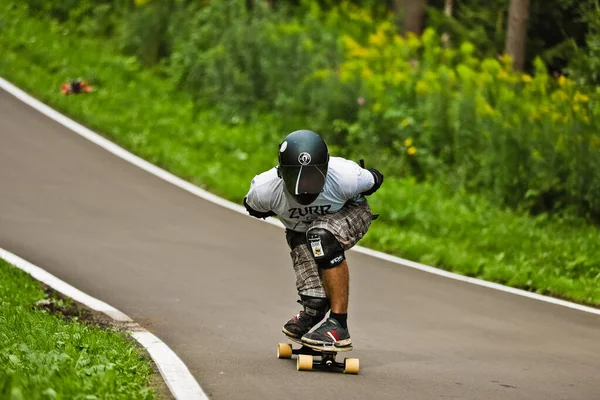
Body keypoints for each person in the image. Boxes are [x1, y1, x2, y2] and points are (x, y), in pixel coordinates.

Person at [243, 130, 384, 347]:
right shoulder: (264, 190)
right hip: (301, 231)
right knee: (315, 295)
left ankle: (338, 325)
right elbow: (253, 208)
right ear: (281, 173)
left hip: (351, 213)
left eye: (313, 176)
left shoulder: (346, 176)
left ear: (327, 169)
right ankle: (314, 311)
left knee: (321, 237)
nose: (305, 187)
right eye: (295, 177)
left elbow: (374, 179)